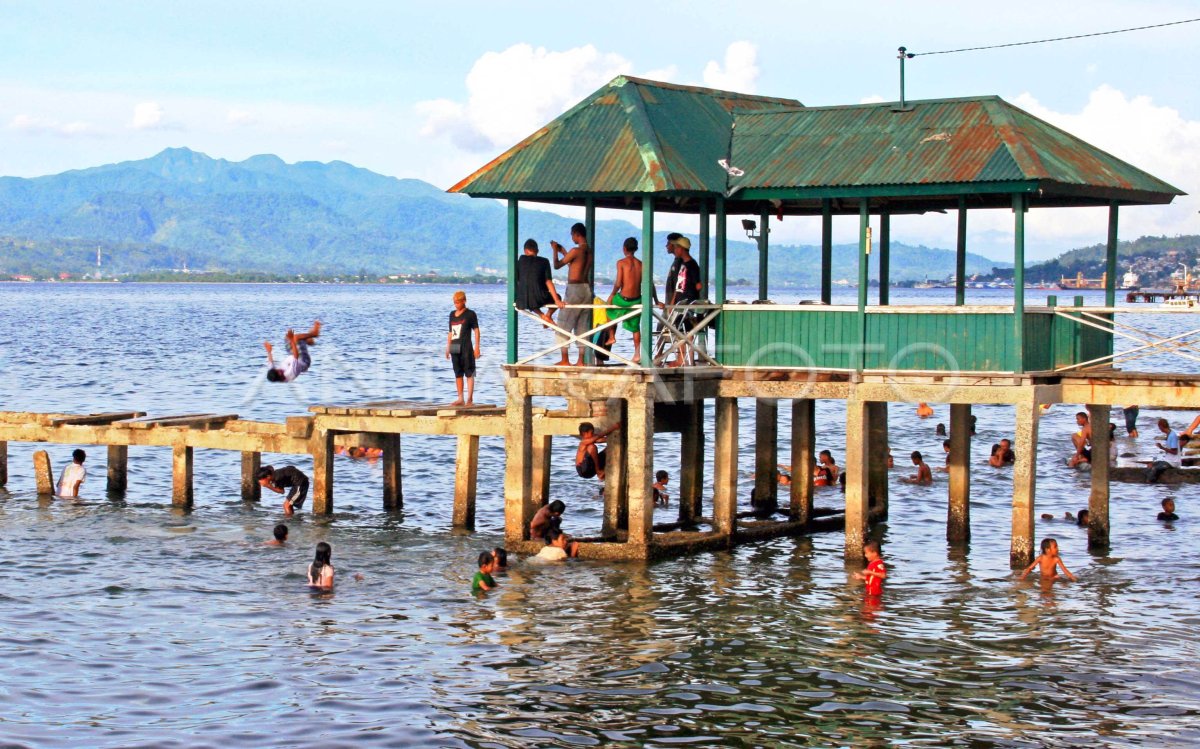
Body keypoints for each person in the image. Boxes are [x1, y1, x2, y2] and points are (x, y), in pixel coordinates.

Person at [551, 223, 593, 366]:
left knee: (563, 323)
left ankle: (565, 359)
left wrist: (555, 251)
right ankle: (581, 361)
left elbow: (556, 265)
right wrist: (564, 252)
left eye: (572, 235)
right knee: (582, 324)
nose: (572, 237)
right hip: (586, 289)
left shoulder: (575, 250)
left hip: (575, 288)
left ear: (576, 234)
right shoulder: (589, 251)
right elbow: (576, 266)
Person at [666, 236, 703, 367]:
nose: (675, 250)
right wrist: (672, 301)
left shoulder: (692, 265)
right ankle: (682, 358)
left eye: (676, 247)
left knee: (687, 331)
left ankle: (686, 359)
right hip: (679, 302)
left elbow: (698, 285)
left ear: (681, 249)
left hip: (688, 303)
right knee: (679, 330)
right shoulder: (682, 265)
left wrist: (693, 299)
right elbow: (678, 285)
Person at [605, 237, 644, 353]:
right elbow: (649, 284)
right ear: (636, 249)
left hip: (623, 299)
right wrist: (656, 301)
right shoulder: (641, 264)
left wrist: (612, 295)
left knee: (608, 309)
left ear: (624, 248)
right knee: (636, 328)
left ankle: (612, 336)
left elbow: (618, 283)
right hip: (637, 300)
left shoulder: (621, 263)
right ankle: (637, 354)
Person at [515, 238, 564, 325]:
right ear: (537, 251)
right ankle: (548, 315)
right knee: (558, 297)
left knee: (530, 298)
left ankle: (542, 316)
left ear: (525, 251)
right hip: (539, 297)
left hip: (522, 300)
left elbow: (519, 280)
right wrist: (557, 300)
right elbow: (548, 281)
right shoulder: (544, 261)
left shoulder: (520, 260)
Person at [446, 291, 481, 406]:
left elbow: (476, 330)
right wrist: (448, 347)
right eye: (454, 303)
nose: (456, 305)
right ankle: (460, 398)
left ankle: (470, 399)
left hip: (466, 346)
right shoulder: (452, 314)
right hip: (455, 346)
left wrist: (477, 347)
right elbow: (450, 332)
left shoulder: (470, 314)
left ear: (464, 301)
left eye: (458, 302)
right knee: (458, 373)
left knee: (470, 372)